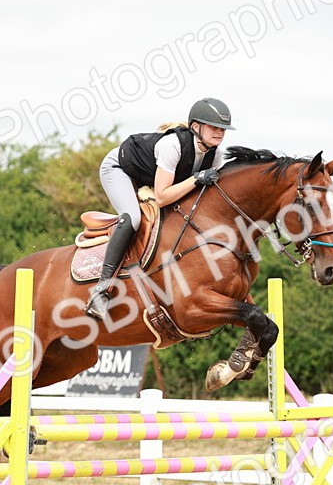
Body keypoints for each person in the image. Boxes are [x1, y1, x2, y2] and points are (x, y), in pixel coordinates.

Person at [84, 97, 236, 320]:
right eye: (214, 126)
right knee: (132, 218)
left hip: (154, 178)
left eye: (223, 128)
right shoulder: (172, 145)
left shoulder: (217, 154)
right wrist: (197, 178)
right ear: (196, 126)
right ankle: (101, 290)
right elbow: (163, 197)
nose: (220, 132)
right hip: (120, 169)